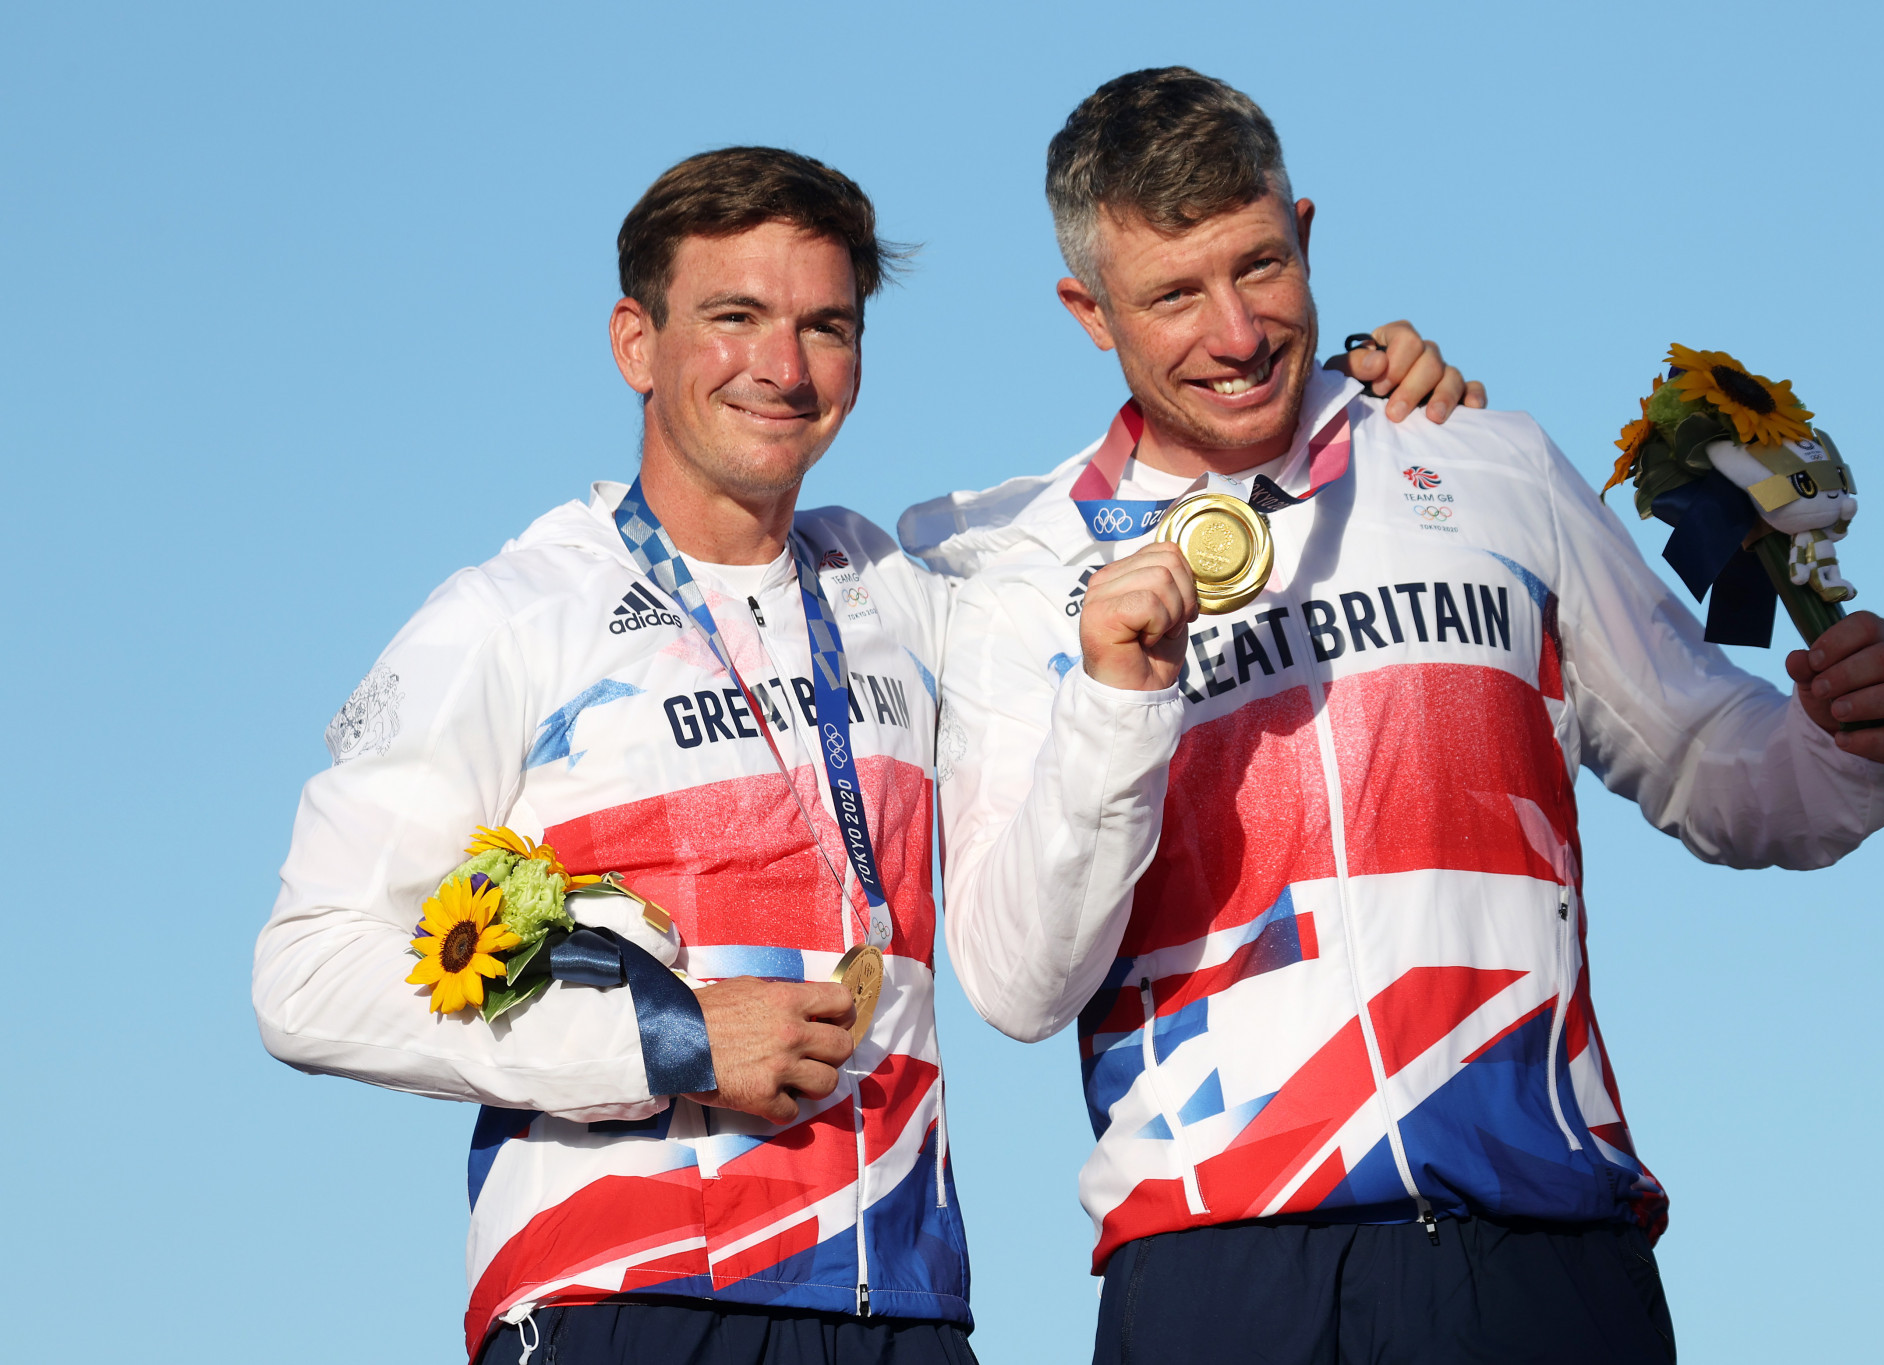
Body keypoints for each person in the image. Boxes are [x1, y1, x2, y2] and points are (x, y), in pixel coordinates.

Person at [254, 143, 1470, 1364]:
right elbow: (306, 977)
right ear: (636, 342)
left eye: (825, 327)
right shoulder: (508, 618)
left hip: (906, 1311)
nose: (782, 369)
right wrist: (666, 1038)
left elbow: (1137, 528)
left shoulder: (900, 587)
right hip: (623, 1298)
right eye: (735, 317)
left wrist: (1351, 401)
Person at [905, 68, 1884, 1365]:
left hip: (1542, 1248)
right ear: (1088, 311)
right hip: (1219, 1268)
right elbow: (1016, 977)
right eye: (1173, 294)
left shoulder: (1487, 461)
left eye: (1259, 266)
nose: (1235, 332)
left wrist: (1846, 746)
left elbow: (1705, 756)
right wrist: (1119, 698)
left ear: (1308, 230)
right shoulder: (1026, 575)